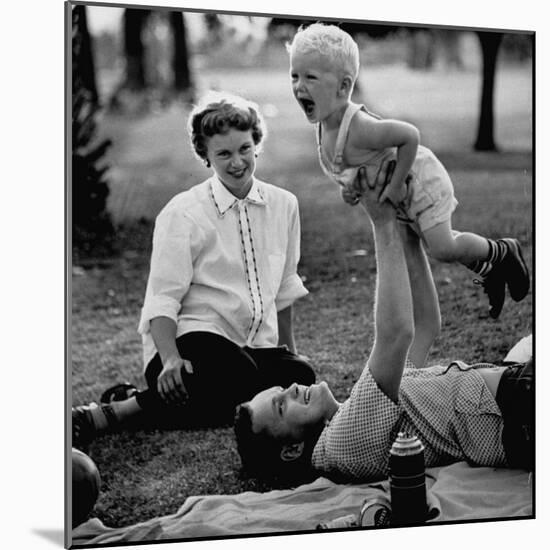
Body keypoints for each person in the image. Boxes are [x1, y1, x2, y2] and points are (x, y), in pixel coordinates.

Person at [234, 161, 533, 482]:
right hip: (522, 407)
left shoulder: (360, 411)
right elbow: (397, 334)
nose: (292, 387)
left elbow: (425, 325)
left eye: (280, 389)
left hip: (516, 390)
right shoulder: (340, 444)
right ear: (292, 450)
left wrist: (405, 229)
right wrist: (382, 220)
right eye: (281, 405)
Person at [73, 92, 316, 448]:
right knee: (237, 374)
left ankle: (138, 401)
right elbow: (161, 298)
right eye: (224, 154)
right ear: (205, 156)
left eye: (244, 149)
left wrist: (289, 353)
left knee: (301, 376)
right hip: (190, 346)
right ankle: (117, 413)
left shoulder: (284, 205)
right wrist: (169, 359)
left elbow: (285, 288)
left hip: (249, 349)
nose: (237, 162)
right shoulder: (183, 212)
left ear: (257, 144)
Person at [285, 23, 529, 319]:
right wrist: (348, 188)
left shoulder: (360, 128)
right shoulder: (325, 126)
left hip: (421, 182)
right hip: (403, 198)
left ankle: (501, 251)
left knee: (442, 247)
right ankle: (488, 271)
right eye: (294, 76)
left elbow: (409, 136)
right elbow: (350, 166)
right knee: (432, 243)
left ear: (343, 86)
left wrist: (394, 183)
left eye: (310, 77)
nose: (299, 86)